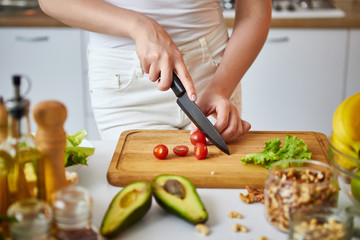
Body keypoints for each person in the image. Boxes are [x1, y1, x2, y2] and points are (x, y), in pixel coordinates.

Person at [38, 0, 272, 142]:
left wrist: (221, 88)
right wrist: (139, 26)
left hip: (216, 73)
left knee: (217, 184)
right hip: (125, 88)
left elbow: (255, 11)